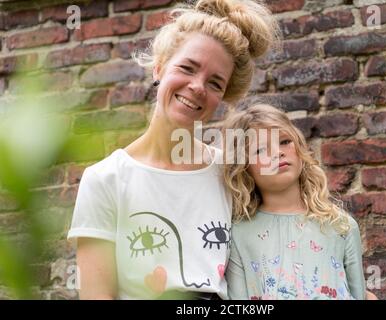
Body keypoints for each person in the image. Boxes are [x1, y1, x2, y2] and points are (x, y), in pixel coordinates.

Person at [67, 0, 280, 299]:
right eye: (187, 68)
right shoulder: (105, 180)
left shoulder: (231, 174)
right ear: (159, 67)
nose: (197, 87)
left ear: (223, 96)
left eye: (215, 83)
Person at [222, 104, 367, 300]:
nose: (277, 153)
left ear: (299, 147)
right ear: (243, 166)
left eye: (284, 141)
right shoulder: (238, 233)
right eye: (261, 149)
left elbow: (359, 294)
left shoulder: (340, 225)